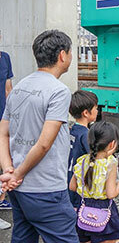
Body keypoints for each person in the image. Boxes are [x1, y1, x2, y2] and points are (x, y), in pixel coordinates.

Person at [0, 29, 78, 243]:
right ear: (62, 55)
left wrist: (9, 169)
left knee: (23, 237)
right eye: (71, 53)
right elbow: (44, 144)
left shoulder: (20, 87)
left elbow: (2, 132)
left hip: (18, 190)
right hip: (46, 189)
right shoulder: (58, 91)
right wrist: (17, 174)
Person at [70, 121, 119, 243]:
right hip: (104, 211)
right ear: (112, 144)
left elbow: (72, 186)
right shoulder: (110, 163)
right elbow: (111, 194)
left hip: (83, 210)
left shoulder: (82, 161)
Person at [68, 90, 99, 208]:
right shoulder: (86, 134)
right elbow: (93, 156)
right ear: (86, 113)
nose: (97, 111)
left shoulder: (73, 130)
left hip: (69, 175)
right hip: (78, 178)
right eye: (96, 108)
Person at [0, 35, 13, 210]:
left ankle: (1, 198)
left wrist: (13, 115)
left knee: (3, 158)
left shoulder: (5, 57)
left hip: (2, 116)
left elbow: (8, 88)